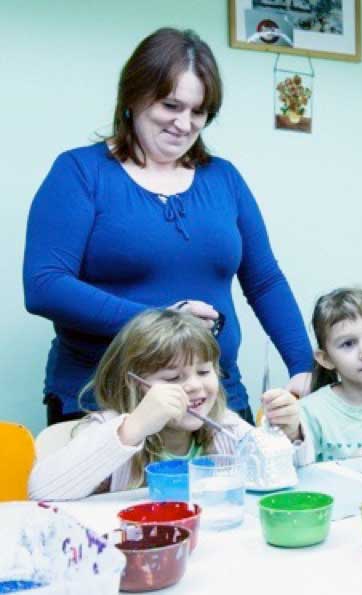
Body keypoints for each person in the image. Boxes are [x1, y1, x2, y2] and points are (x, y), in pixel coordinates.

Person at [23, 28, 312, 426]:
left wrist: (302, 364)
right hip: (106, 402)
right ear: (134, 96)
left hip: (213, 399)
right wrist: (163, 319)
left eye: (198, 111)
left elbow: (264, 281)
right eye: (170, 105)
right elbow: (44, 284)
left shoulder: (223, 179)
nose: (184, 123)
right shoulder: (80, 172)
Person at [27, 309, 301, 501]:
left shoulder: (225, 427)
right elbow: (42, 490)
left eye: (204, 372)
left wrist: (289, 432)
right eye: (173, 377)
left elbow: (285, 475)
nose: (194, 385)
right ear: (135, 383)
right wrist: (132, 429)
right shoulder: (108, 429)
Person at [265, 288, 362, 463]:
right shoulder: (309, 413)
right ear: (325, 359)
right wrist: (352, 466)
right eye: (348, 343)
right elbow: (294, 468)